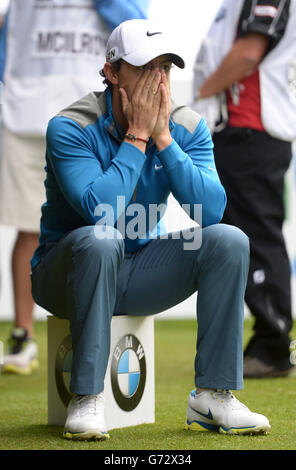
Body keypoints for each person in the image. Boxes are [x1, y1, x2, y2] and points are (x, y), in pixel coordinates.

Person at [30, 18, 270, 441]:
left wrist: (163, 138)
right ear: (111, 72)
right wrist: (138, 136)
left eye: (165, 69)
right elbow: (99, 212)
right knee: (101, 239)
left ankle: (213, 394)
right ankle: (86, 396)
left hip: (137, 268)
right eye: (144, 68)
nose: (156, 81)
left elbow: (211, 210)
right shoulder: (69, 126)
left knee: (228, 240)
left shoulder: (186, 126)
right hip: (63, 273)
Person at [0, 0, 148, 375]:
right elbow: (11, 30)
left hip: (94, 116)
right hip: (27, 114)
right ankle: (22, 334)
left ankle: (111, 329)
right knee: (29, 226)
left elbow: (136, 26)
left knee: (106, 223)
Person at [192, 0, 296, 378]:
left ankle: (272, 345)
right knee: (240, 235)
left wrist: (200, 95)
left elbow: (250, 52)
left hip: (251, 128)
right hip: (237, 130)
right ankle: (266, 341)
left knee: (256, 236)